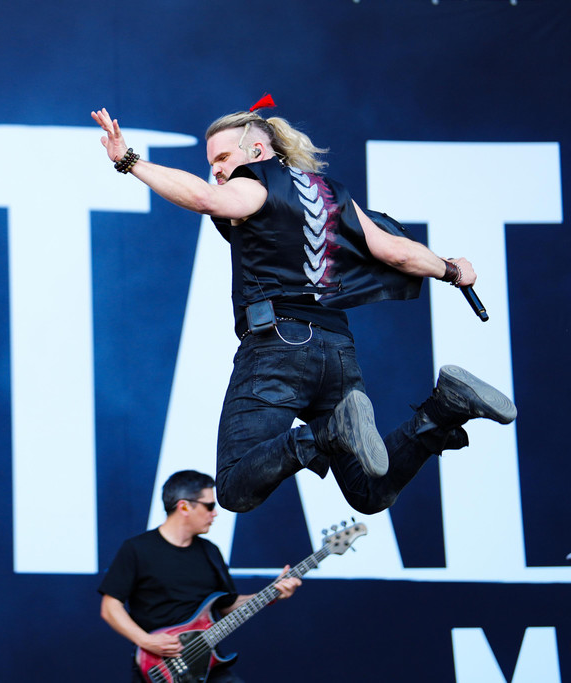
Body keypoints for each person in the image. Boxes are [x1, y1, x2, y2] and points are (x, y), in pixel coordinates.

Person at [90, 101, 517, 515]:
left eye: (222, 158)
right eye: (212, 162)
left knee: (235, 488)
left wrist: (129, 160)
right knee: (370, 493)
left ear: (257, 150)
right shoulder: (333, 194)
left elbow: (204, 198)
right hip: (338, 350)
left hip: (279, 345)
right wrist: (451, 270)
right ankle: (445, 409)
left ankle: (330, 431)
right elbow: (397, 252)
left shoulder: (251, 183)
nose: (216, 170)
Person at [99, 470, 301, 683]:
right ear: (184, 506)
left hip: (207, 665)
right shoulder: (137, 549)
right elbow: (110, 608)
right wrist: (146, 641)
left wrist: (271, 594)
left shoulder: (210, 551)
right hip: (160, 668)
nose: (215, 514)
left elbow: (227, 605)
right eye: (210, 506)